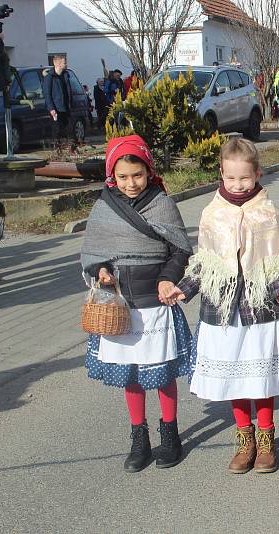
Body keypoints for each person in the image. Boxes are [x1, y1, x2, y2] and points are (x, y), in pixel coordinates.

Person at [166, 138, 279, 475]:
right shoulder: (211, 212)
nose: (238, 185)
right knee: (234, 376)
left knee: (260, 376)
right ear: (221, 174)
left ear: (258, 173)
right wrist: (183, 289)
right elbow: (204, 261)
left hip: (259, 309)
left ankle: (266, 438)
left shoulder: (268, 212)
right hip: (223, 309)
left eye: (244, 178)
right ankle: (244, 438)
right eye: (231, 179)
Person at [80, 135, 193, 473]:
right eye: (124, 176)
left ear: (148, 170)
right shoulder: (103, 208)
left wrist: (168, 277)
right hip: (120, 307)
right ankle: (139, 437)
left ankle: (170, 434)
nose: (131, 183)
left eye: (138, 175)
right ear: (112, 175)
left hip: (155, 303)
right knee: (131, 374)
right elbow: (92, 253)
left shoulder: (162, 203)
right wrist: (100, 270)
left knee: (160, 374)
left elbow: (180, 250)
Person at [43, 55, 75, 152]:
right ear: (59, 64)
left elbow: (68, 91)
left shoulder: (65, 75)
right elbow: (47, 94)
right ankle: (57, 149)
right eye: (64, 62)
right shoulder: (50, 77)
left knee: (70, 129)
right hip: (56, 108)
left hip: (66, 107)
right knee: (56, 130)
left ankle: (72, 148)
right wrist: (51, 108)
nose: (66, 64)